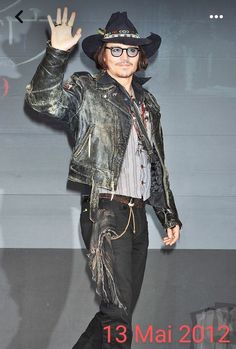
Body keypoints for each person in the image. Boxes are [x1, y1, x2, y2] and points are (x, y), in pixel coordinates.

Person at [25, 7, 182, 349]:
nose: (124, 56)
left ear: (141, 57)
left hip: (138, 215)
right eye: (115, 49)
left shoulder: (148, 103)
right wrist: (56, 53)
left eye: (131, 50)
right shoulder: (87, 90)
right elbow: (42, 100)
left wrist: (168, 213)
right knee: (117, 314)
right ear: (102, 55)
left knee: (117, 312)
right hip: (106, 213)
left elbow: (156, 163)